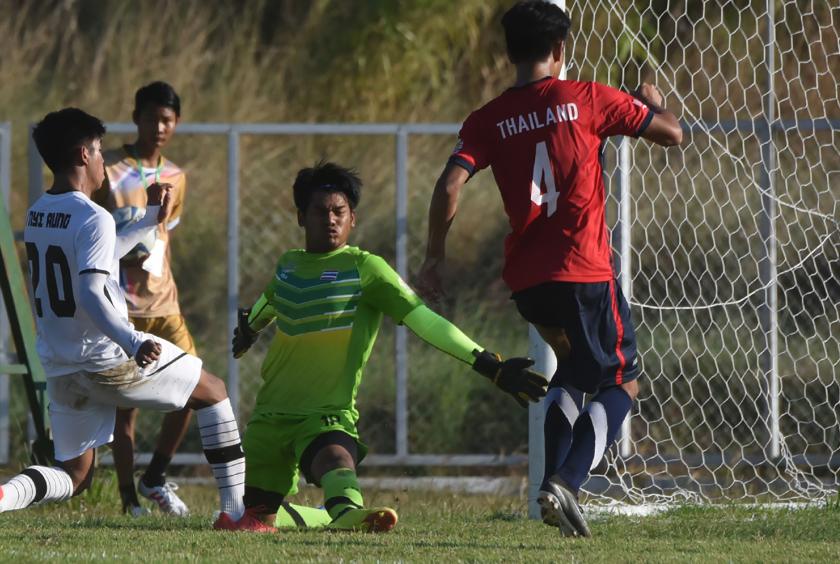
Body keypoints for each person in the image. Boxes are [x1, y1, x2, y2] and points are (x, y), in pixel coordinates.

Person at [416, 1, 683, 538]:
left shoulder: (487, 118)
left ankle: (548, 490)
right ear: (560, 50)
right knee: (623, 382)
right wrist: (652, 102)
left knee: (572, 369)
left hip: (529, 281)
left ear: (509, 51)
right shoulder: (587, 97)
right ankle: (567, 480)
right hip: (584, 271)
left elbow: (449, 186)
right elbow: (672, 133)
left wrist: (434, 258)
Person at [223, 161, 548, 533]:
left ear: (353, 219)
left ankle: (349, 513)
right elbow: (270, 301)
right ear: (300, 217)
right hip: (269, 415)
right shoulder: (289, 265)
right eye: (320, 211)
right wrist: (250, 327)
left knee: (333, 457)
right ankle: (329, 516)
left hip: (325, 412)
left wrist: (489, 364)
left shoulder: (366, 269)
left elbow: (424, 320)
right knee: (255, 519)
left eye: (339, 212)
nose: (330, 219)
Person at [0, 108, 245, 530]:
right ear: (82, 154)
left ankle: (5, 496)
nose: (102, 162)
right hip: (104, 357)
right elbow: (91, 291)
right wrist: (132, 342)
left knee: (75, 475)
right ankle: (236, 514)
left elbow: (100, 258)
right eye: (97, 151)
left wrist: (150, 220)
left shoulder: (39, 212)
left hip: (61, 362)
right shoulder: (92, 215)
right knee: (213, 391)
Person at [92, 81, 194, 516]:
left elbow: (163, 238)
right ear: (136, 118)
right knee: (125, 408)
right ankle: (129, 499)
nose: (159, 126)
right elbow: (94, 228)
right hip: (122, 307)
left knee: (194, 390)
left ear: (176, 124)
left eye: (167, 119)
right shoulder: (110, 169)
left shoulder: (176, 175)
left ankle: (155, 478)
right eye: (151, 117)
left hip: (165, 303)